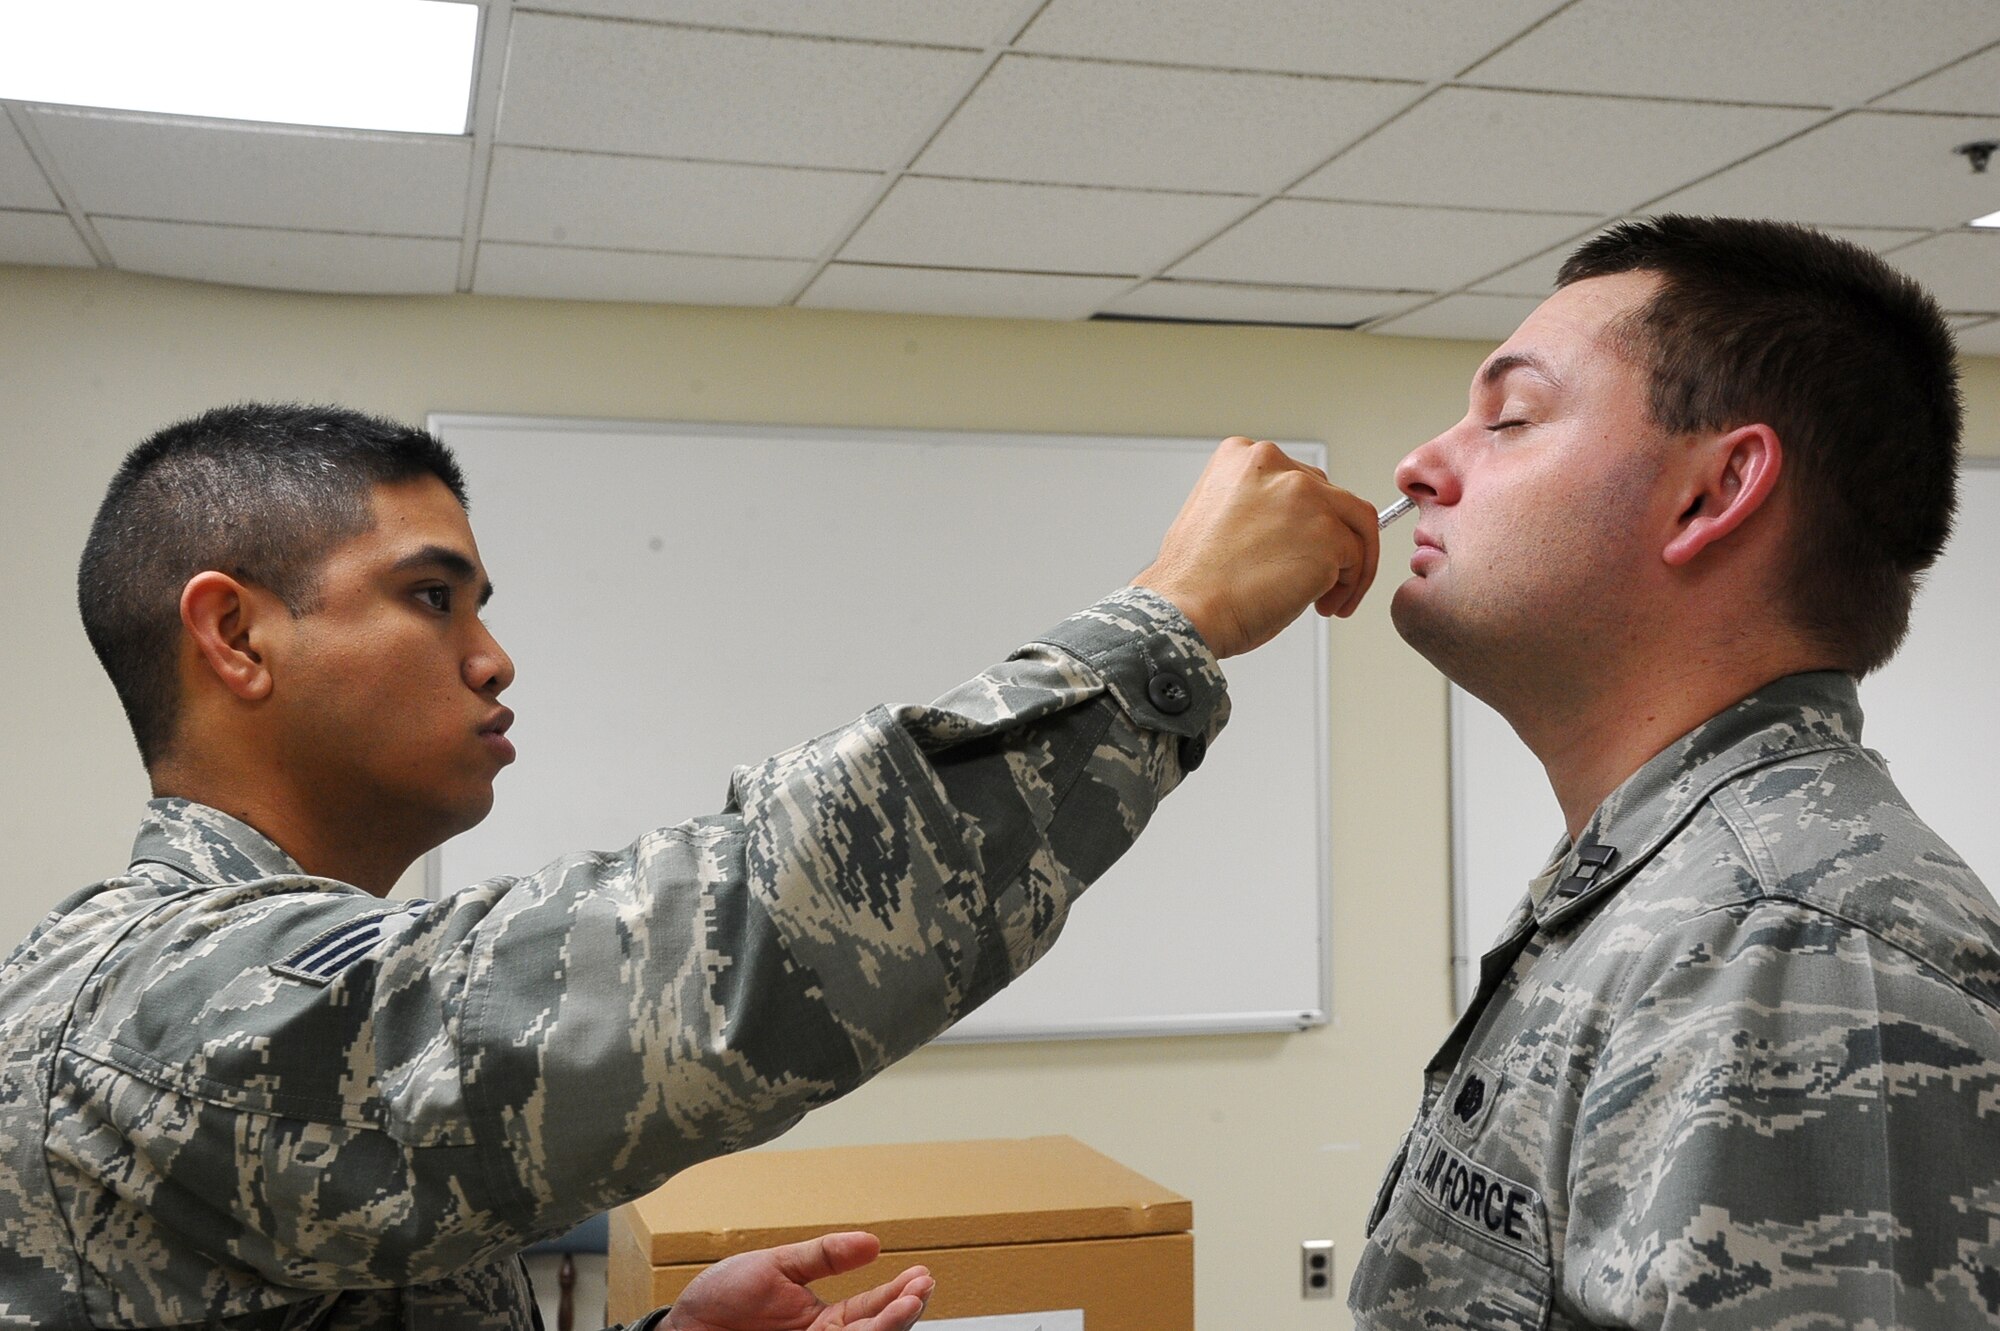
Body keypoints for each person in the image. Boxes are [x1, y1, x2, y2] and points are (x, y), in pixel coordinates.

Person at [0, 406, 1379, 1330]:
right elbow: (737, 938)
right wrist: (1168, 621)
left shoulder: (231, 990)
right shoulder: (161, 1003)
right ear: (234, 635)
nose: (493, 656)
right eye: (432, 597)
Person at [1349, 215, 2000, 1329]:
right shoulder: (1660, 888)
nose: (1418, 465)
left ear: (1712, 491)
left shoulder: (1786, 945)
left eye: (1508, 417)